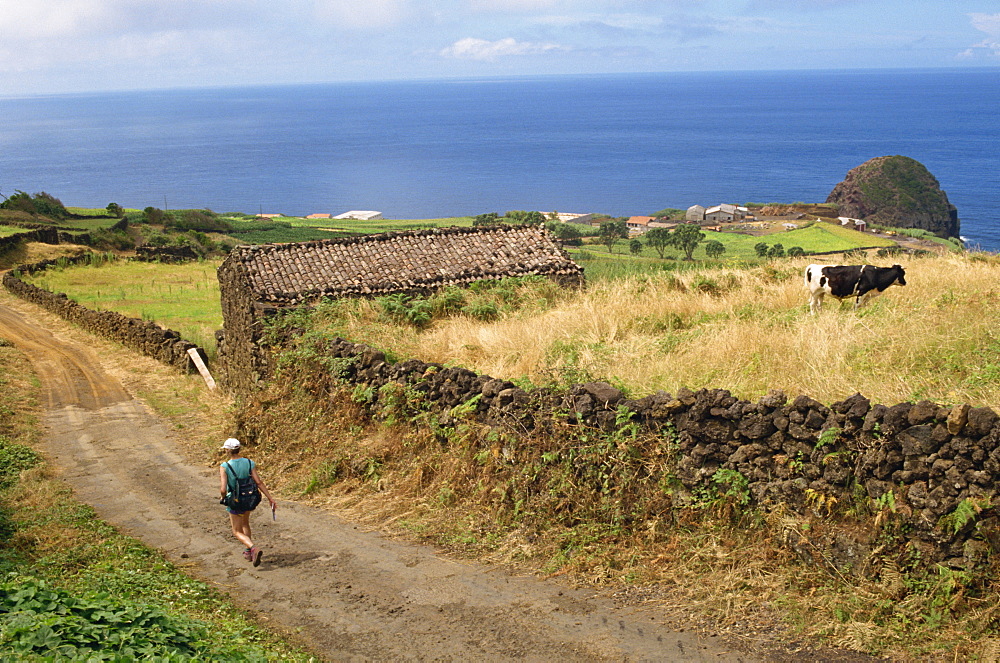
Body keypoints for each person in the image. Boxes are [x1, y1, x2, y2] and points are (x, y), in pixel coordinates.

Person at [219, 437, 276, 566]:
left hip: (236, 501)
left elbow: (223, 489)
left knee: (236, 531)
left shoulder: (225, 466)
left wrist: (223, 498)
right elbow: (258, 482)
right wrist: (270, 498)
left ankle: (253, 547)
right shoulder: (250, 463)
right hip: (249, 499)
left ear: (228, 450)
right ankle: (248, 552)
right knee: (245, 523)